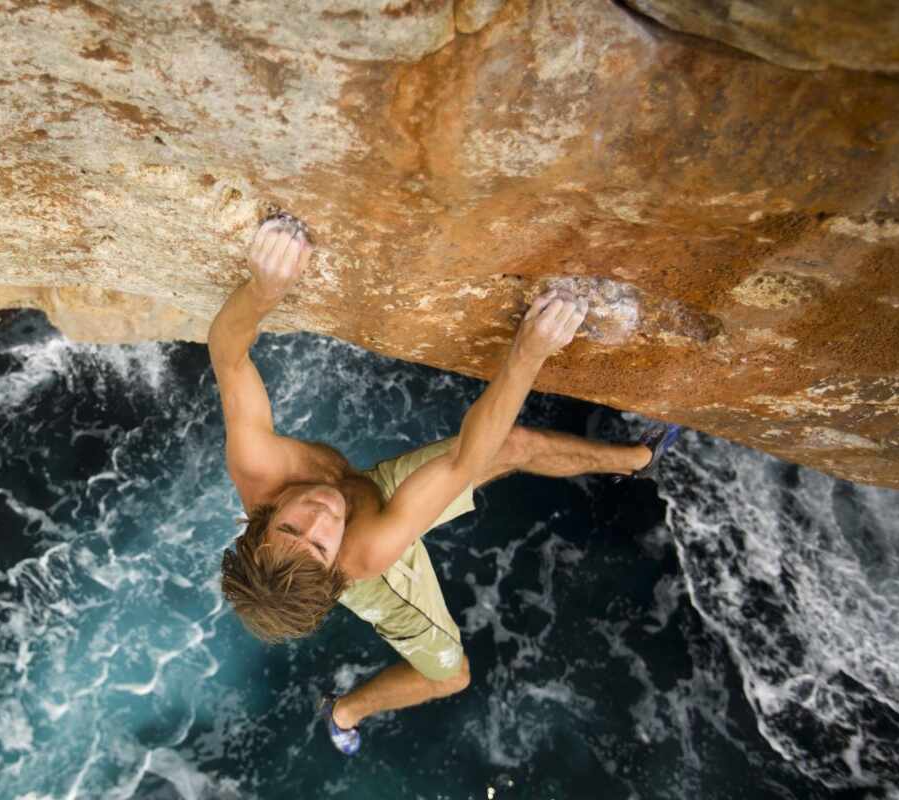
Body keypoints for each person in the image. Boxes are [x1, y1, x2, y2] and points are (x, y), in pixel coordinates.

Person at [212, 213, 681, 756]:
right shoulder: (365, 552)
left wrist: (263, 287)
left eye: (293, 526)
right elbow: (464, 462)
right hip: (380, 548)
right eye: (318, 544)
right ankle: (345, 712)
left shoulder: (259, 467)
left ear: (264, 516)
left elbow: (227, 351)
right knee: (451, 675)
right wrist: (527, 353)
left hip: (364, 493)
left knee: (508, 446)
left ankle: (633, 459)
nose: (320, 513)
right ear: (332, 562)